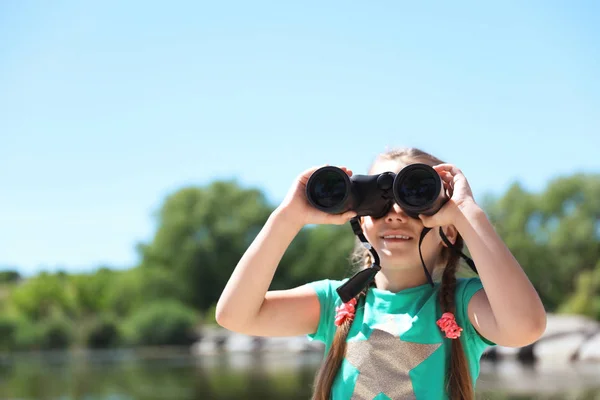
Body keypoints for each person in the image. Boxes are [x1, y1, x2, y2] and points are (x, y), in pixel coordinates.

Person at [215, 147, 547, 400]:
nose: (395, 215)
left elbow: (525, 326)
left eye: (414, 198)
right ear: (360, 222)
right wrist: (287, 217)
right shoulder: (335, 302)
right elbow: (235, 315)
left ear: (448, 228)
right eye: (377, 202)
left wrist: (469, 215)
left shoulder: (462, 303)